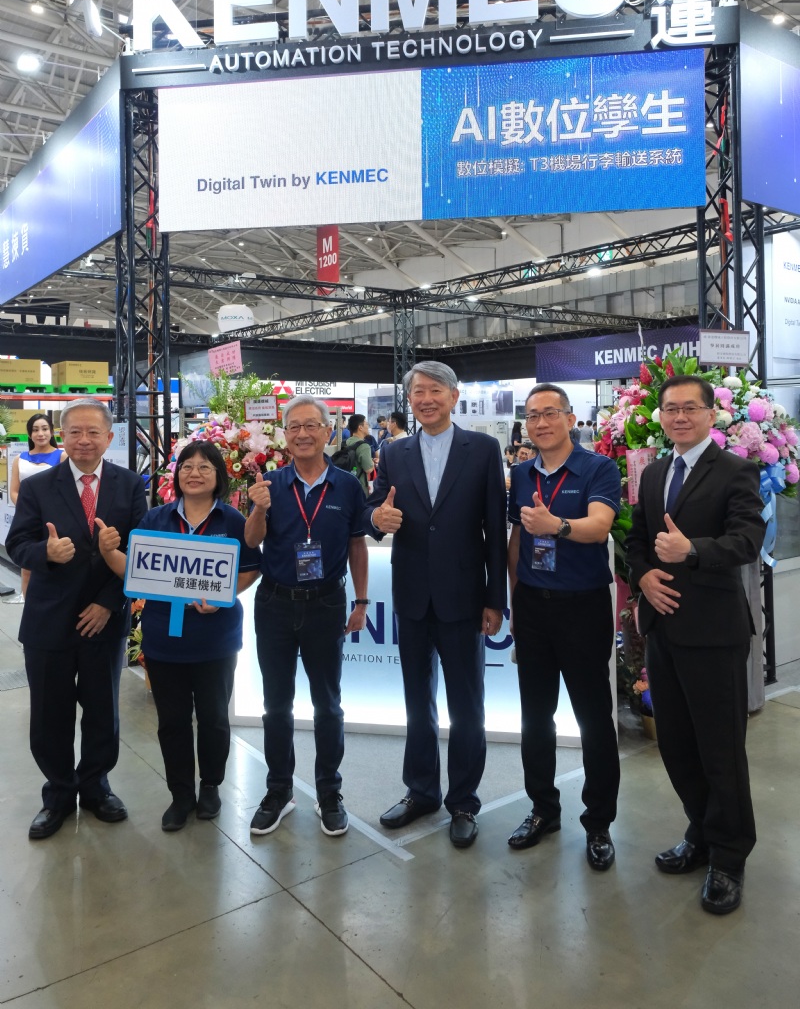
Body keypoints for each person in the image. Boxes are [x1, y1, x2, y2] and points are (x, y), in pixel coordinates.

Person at [626, 374, 765, 915]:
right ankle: (701, 833)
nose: (679, 417)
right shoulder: (654, 472)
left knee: (720, 750)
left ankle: (729, 857)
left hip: (713, 634)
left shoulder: (735, 470)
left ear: (711, 414)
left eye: (690, 408)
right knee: (678, 746)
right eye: (670, 409)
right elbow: (637, 539)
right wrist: (642, 575)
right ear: (660, 416)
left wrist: (691, 551)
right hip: (663, 631)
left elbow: (747, 540)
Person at [366, 361, 507, 848]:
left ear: (453, 396)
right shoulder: (394, 451)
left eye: (434, 390)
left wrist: (494, 599)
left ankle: (463, 801)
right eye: (417, 392)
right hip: (410, 595)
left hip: (463, 597)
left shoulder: (483, 450)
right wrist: (377, 518)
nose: (425, 399)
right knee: (417, 701)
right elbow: (374, 507)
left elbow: (494, 530)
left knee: (467, 706)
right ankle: (421, 791)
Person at [97, 441, 262, 831]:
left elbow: (252, 568)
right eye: (187, 466)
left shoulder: (232, 520)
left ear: (219, 476)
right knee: (171, 721)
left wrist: (222, 597)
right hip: (164, 640)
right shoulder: (156, 519)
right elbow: (135, 570)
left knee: (214, 718)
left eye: (205, 467)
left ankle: (211, 786)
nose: (194, 473)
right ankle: (181, 794)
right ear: (177, 475)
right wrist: (108, 552)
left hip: (215, 640)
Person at [5, 398, 146, 840]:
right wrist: (44, 552)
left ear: (109, 437)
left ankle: (96, 787)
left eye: (93, 432)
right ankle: (59, 794)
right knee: (50, 713)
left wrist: (109, 603)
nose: (84, 440)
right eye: (75, 432)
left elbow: (140, 553)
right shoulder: (38, 487)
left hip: (104, 619)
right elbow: (17, 543)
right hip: (49, 619)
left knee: (103, 710)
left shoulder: (129, 485)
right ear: (61, 436)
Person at [507, 383, 621, 872]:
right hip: (533, 608)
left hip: (582, 608)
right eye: (533, 415)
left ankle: (598, 823)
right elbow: (517, 539)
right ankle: (543, 809)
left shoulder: (598, 468)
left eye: (550, 413)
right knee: (536, 717)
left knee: (593, 719)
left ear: (570, 419)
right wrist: (514, 600)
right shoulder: (520, 473)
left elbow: (600, 526)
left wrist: (557, 525)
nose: (541, 423)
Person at [244, 395, 369, 838]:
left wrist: (361, 602)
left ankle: (329, 792)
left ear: (328, 432)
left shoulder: (348, 486)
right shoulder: (270, 483)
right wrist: (259, 507)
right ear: (284, 434)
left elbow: (357, 545)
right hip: (275, 603)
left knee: (328, 705)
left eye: (311, 425)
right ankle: (279, 790)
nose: (302, 433)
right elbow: (252, 541)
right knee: (276, 705)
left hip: (326, 604)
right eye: (294, 426)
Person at [9, 413, 68, 599]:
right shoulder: (19, 459)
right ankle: (28, 605)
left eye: (44, 429)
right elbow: (14, 491)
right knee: (27, 568)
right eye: (35, 430)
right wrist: (28, 510)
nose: (40, 434)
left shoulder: (62, 456)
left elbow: (67, 491)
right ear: (29, 434)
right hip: (27, 520)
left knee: (55, 565)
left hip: (54, 521)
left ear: (52, 432)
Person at [344, 414, 375, 494]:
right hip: (360, 487)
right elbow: (368, 469)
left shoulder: (346, 442)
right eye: (366, 424)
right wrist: (373, 462)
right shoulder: (364, 446)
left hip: (346, 485)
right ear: (360, 427)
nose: (368, 426)